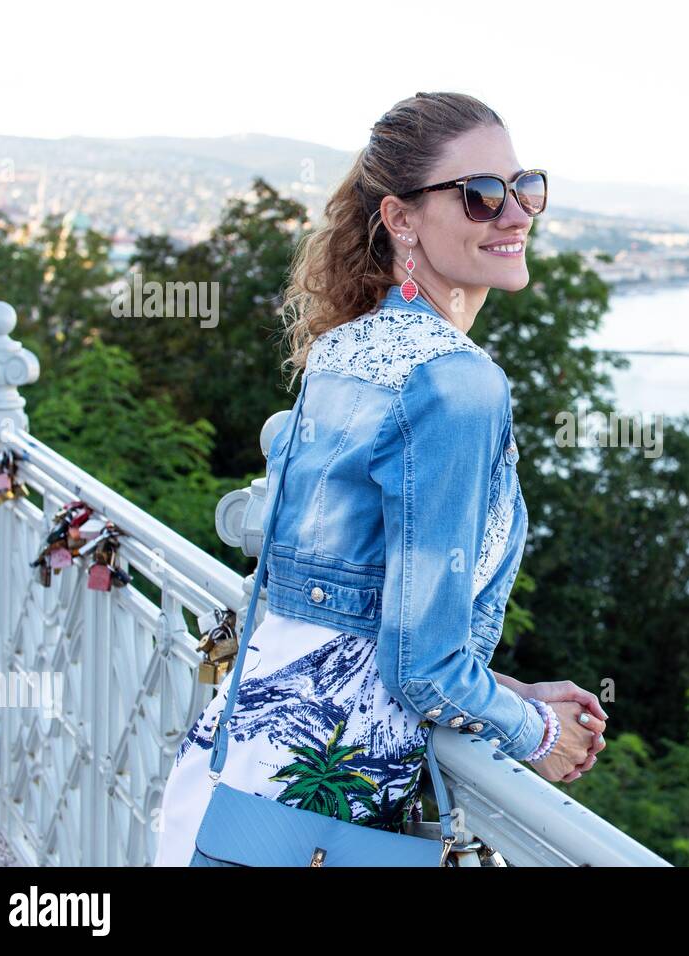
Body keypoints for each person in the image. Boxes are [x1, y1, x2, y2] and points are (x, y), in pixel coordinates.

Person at [154, 91, 607, 866]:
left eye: (524, 186)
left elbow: (364, 615)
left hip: (238, 770)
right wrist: (536, 731)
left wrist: (500, 687)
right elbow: (419, 664)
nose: (515, 214)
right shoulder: (458, 383)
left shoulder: (345, 351)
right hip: (330, 813)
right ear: (402, 220)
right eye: (481, 195)